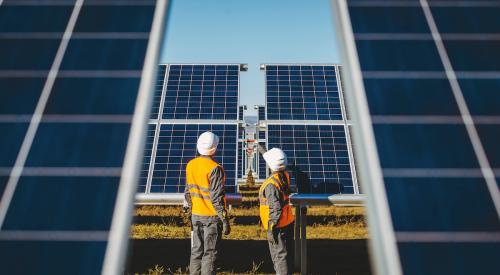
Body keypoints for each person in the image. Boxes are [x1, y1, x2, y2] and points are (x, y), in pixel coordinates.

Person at [184, 131, 231, 275]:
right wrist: (225, 219)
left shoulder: (190, 165)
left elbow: (188, 193)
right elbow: (216, 198)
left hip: (196, 215)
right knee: (209, 254)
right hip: (211, 217)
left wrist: (191, 211)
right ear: (214, 148)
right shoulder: (215, 168)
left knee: (196, 251)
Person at [259, 147, 295, 275]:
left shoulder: (271, 185)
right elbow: (274, 161)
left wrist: (271, 226)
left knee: (279, 256)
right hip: (287, 222)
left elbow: (275, 208)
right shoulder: (284, 176)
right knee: (285, 254)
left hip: (277, 226)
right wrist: (261, 149)